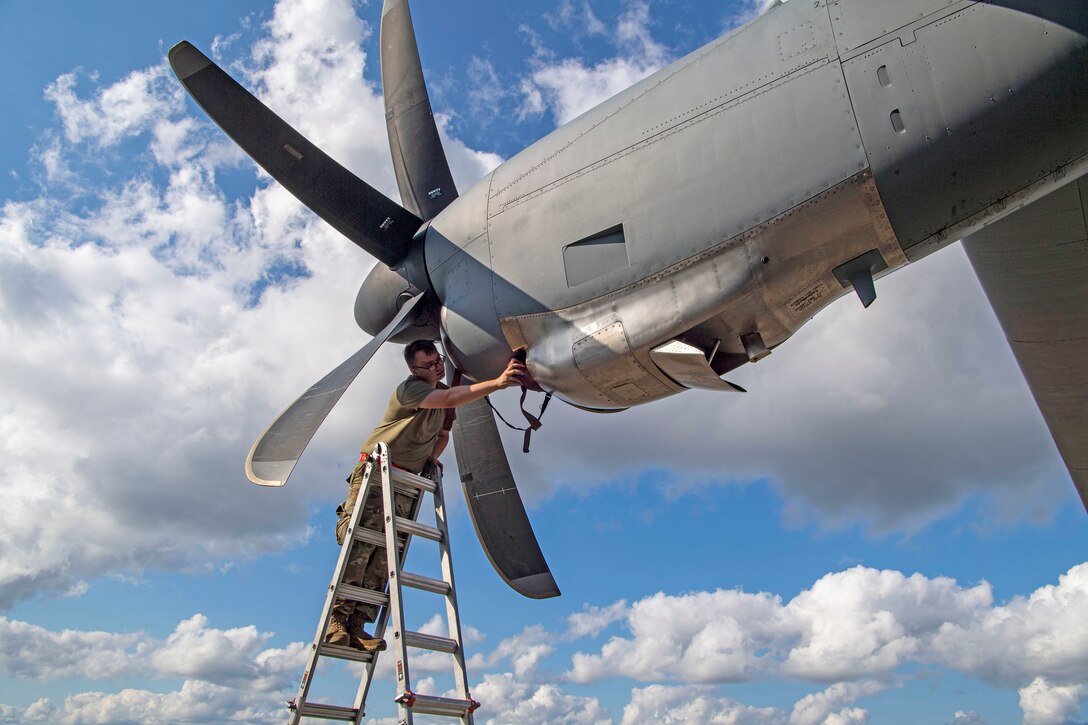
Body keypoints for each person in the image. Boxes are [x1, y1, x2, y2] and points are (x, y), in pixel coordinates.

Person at [326, 339, 526, 651]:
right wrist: (498, 383)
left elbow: (443, 434)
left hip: (406, 479)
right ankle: (337, 620)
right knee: (363, 542)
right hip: (379, 473)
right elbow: (448, 399)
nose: (436, 367)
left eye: (438, 361)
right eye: (429, 365)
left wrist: (431, 456)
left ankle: (358, 624)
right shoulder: (411, 390)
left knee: (387, 551)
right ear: (415, 369)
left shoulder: (443, 392)